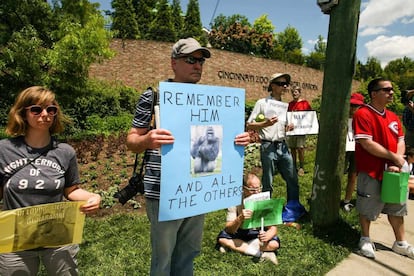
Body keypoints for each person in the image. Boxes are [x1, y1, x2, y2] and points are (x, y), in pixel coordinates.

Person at [125, 37, 251, 276]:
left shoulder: (211, 100)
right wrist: (147, 140)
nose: (198, 66)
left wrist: (238, 140)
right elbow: (132, 141)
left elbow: (213, 142)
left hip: (197, 190)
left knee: (188, 255)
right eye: (191, 60)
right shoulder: (154, 96)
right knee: (163, 259)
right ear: (174, 63)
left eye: (201, 61)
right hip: (165, 193)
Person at [0, 86, 101, 275]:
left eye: (51, 109)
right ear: (23, 113)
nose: (45, 114)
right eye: (36, 109)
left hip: (57, 235)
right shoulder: (4, 150)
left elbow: (71, 190)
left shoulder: (65, 152)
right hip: (15, 237)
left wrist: (93, 196)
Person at [353, 77, 414, 259]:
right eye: (386, 89)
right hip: (372, 170)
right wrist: (394, 157)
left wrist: (398, 162)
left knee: (397, 208)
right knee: (367, 207)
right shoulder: (363, 114)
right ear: (374, 93)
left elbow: (401, 140)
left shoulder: (393, 117)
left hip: (394, 172)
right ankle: (365, 239)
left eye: (392, 89)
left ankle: (400, 242)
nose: (391, 92)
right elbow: (366, 143)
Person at [246, 73, 306, 223]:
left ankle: (293, 207)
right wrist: (264, 124)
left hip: (283, 146)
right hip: (268, 146)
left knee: (292, 178)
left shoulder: (284, 106)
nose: (285, 86)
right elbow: (249, 124)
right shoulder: (262, 103)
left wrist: (288, 127)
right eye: (281, 83)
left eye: (286, 83)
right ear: (272, 85)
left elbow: (283, 127)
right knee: (268, 180)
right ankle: (266, 213)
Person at [215, 173, 279, 265]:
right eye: (252, 190)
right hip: (239, 231)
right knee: (222, 239)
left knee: (274, 244)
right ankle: (260, 253)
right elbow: (229, 228)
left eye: (259, 188)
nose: (257, 192)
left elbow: (273, 228)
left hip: (257, 232)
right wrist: (240, 218)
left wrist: (268, 235)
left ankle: (236, 246)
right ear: (244, 189)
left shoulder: (264, 199)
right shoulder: (234, 200)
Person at [340, 92, 365, 212]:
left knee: (353, 176)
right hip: (343, 150)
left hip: (357, 150)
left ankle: (347, 201)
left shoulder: (363, 119)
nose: (353, 108)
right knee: (338, 175)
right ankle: (333, 198)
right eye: (351, 105)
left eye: (356, 106)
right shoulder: (342, 118)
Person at [287, 85, 312, 176]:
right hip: (292, 130)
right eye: (293, 92)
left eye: (296, 92)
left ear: (299, 93)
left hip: (301, 130)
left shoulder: (305, 103)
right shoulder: (290, 104)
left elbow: (310, 115)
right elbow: (288, 116)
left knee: (300, 148)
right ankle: (294, 166)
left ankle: (301, 167)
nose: (294, 94)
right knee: (293, 148)